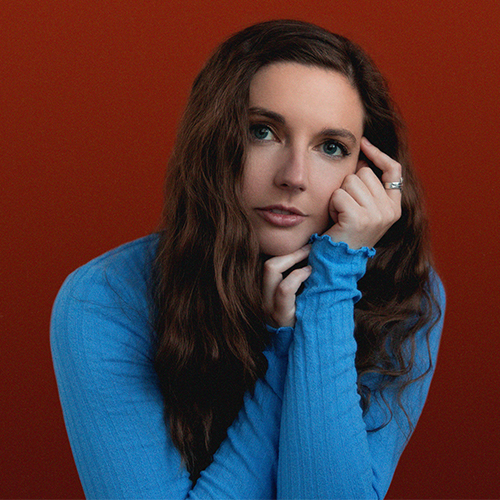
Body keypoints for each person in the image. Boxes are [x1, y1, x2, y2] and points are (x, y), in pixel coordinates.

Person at [51, 19, 445, 499]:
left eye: (331, 147)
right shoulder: (105, 300)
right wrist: (281, 358)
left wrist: (331, 289)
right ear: (214, 140)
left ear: (367, 172)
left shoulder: (406, 295)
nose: (294, 176)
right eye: (263, 132)